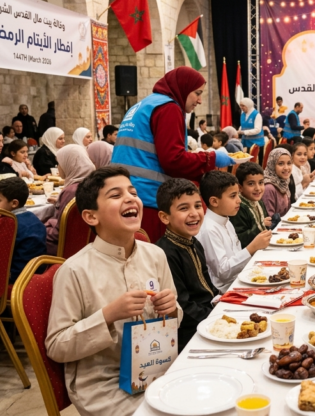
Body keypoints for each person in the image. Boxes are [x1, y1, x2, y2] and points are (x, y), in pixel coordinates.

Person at [46, 166, 180, 416]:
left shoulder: (155, 254)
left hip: (158, 367)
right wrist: (107, 315)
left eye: (133, 192)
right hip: (105, 385)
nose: (131, 198)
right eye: (116, 195)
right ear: (91, 217)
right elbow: (57, 346)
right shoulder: (75, 270)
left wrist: (171, 309)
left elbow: (174, 318)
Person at [111, 67, 230, 240]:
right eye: (197, 93)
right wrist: (211, 158)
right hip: (150, 198)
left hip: (128, 194)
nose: (199, 100)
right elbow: (173, 160)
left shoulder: (142, 105)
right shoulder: (169, 108)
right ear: (183, 87)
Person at [155, 178, 218, 351]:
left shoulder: (194, 243)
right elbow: (182, 305)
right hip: (189, 333)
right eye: (184, 208)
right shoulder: (166, 253)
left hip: (208, 316)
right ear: (164, 217)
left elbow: (207, 288)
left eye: (197, 206)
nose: (194, 213)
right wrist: (215, 317)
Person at [196, 171, 272, 291]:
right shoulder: (209, 229)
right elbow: (223, 273)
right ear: (214, 201)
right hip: (224, 290)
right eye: (233, 196)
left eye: (238, 195)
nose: (239, 200)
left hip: (239, 278)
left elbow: (236, 255)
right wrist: (251, 248)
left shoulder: (226, 220)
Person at [0, 177, 46, 283]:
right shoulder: (34, 218)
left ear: (14, 203)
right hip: (38, 274)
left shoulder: (9, 225)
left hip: (16, 278)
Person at [45, 145, 95, 256]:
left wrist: (43, 226)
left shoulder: (72, 191)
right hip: (86, 246)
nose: (58, 167)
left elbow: (59, 233)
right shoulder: (92, 184)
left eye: (60, 163)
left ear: (70, 164)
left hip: (64, 249)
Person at [230, 162, 274, 247]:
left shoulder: (259, 202)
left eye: (261, 182)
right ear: (240, 188)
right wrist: (260, 226)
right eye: (251, 184)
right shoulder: (239, 207)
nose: (257, 188)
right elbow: (240, 239)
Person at [262, 148, 294, 217]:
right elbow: (271, 219)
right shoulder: (268, 188)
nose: (286, 168)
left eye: (289, 163)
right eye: (280, 164)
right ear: (272, 165)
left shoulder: (283, 182)